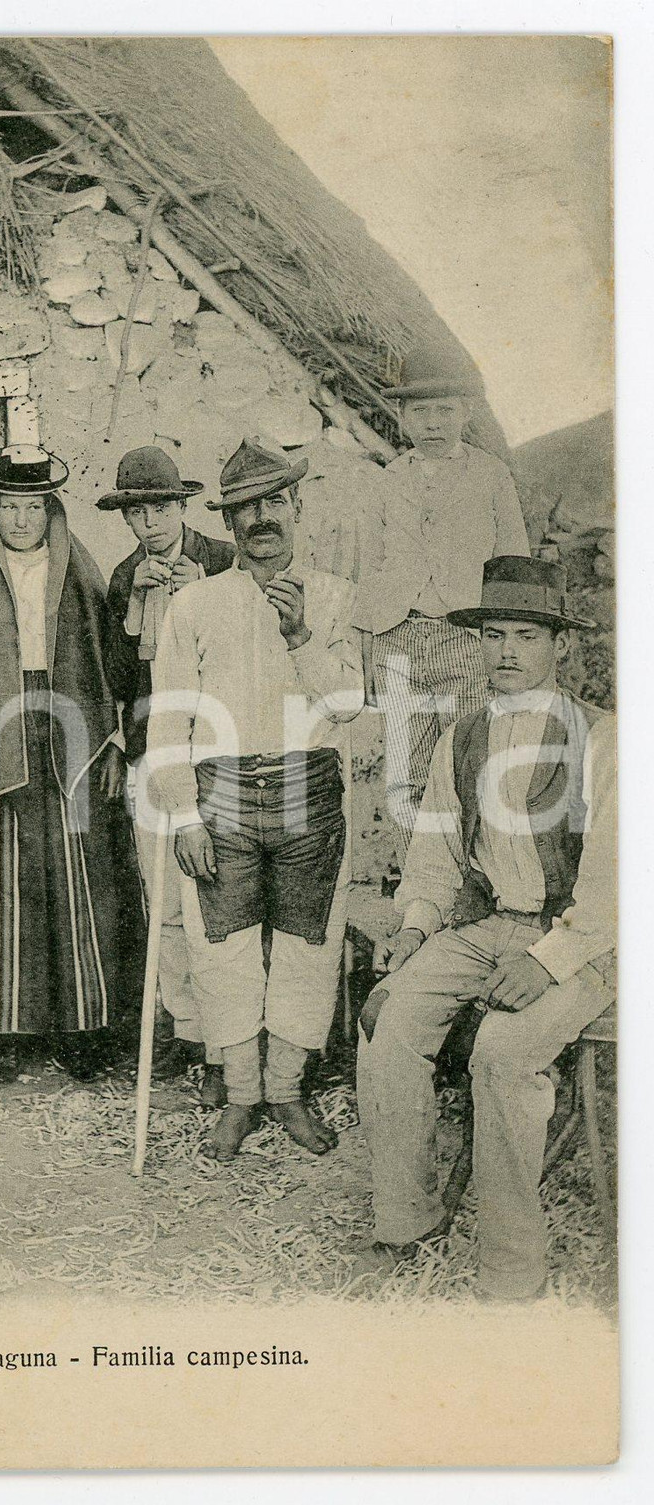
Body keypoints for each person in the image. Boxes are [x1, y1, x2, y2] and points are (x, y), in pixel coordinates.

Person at [353, 556, 615, 1302]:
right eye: (494, 633)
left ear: (557, 645)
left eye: (525, 635)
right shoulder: (465, 734)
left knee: (501, 1052)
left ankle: (511, 1265)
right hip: (490, 923)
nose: (507, 650)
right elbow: (435, 852)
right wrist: (415, 926)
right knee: (388, 1017)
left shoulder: (603, 738)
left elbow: (615, 886)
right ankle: (408, 1216)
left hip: (586, 938)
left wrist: (552, 958)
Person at [148, 438, 365, 1160]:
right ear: (231, 522)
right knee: (223, 949)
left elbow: (348, 701)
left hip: (309, 788)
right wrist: (182, 814)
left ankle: (288, 1092)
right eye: (244, 508)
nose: (261, 518)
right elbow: (170, 716)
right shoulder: (194, 602)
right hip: (223, 795)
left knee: (309, 945)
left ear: (298, 506)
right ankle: (241, 1097)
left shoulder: (335, 595)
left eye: (274, 501)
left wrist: (302, 632)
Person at [0, 444, 143, 1075]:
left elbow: (116, 665)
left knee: (78, 871)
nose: (21, 521)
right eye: (9, 507)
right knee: (2, 876)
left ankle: (83, 1032)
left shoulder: (78, 576)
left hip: (71, 729)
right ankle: (4, 1032)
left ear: (50, 511)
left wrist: (118, 741)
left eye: (33, 508)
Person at [353, 346, 529, 864]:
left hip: (465, 639)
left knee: (472, 762)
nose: (433, 423)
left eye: (445, 410)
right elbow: (370, 569)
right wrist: (368, 649)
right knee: (405, 772)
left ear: (466, 414)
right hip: (399, 640)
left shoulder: (491, 476)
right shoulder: (386, 481)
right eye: (421, 412)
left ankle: (476, 880)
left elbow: (512, 566)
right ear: (402, 417)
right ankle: (419, 883)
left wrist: (503, 645)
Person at [100, 446, 235, 1105]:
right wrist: (135, 615)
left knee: (217, 894)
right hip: (155, 748)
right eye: (136, 512)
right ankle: (186, 1028)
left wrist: (195, 597)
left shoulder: (221, 560)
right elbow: (119, 683)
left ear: (181, 507)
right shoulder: (126, 578)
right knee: (167, 901)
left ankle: (228, 1040)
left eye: (159, 507)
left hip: (217, 746)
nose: (149, 522)